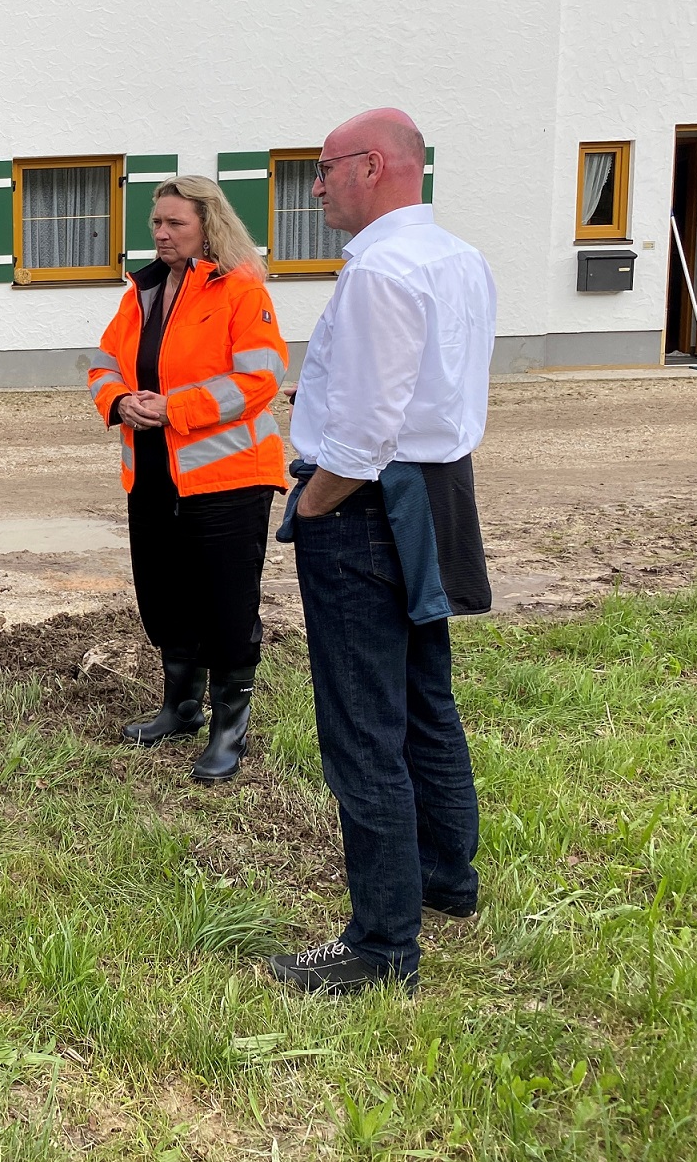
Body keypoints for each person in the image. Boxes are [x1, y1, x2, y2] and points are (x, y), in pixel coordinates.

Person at [266, 109, 496, 995]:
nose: (315, 184)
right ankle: (443, 875)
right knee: (422, 696)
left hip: (366, 502)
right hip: (436, 492)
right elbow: (430, 394)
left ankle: (381, 942)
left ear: (371, 166)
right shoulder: (458, 257)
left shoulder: (378, 269)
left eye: (323, 167)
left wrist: (313, 503)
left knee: (362, 725)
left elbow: (363, 435)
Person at [88, 176, 289, 784]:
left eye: (176, 223)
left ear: (209, 226)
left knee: (226, 605)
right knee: (163, 596)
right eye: (157, 222)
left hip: (229, 480)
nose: (161, 232)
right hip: (152, 474)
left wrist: (175, 408)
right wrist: (119, 401)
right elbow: (103, 364)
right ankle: (181, 707)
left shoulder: (240, 289)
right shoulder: (142, 291)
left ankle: (230, 726)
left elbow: (261, 378)